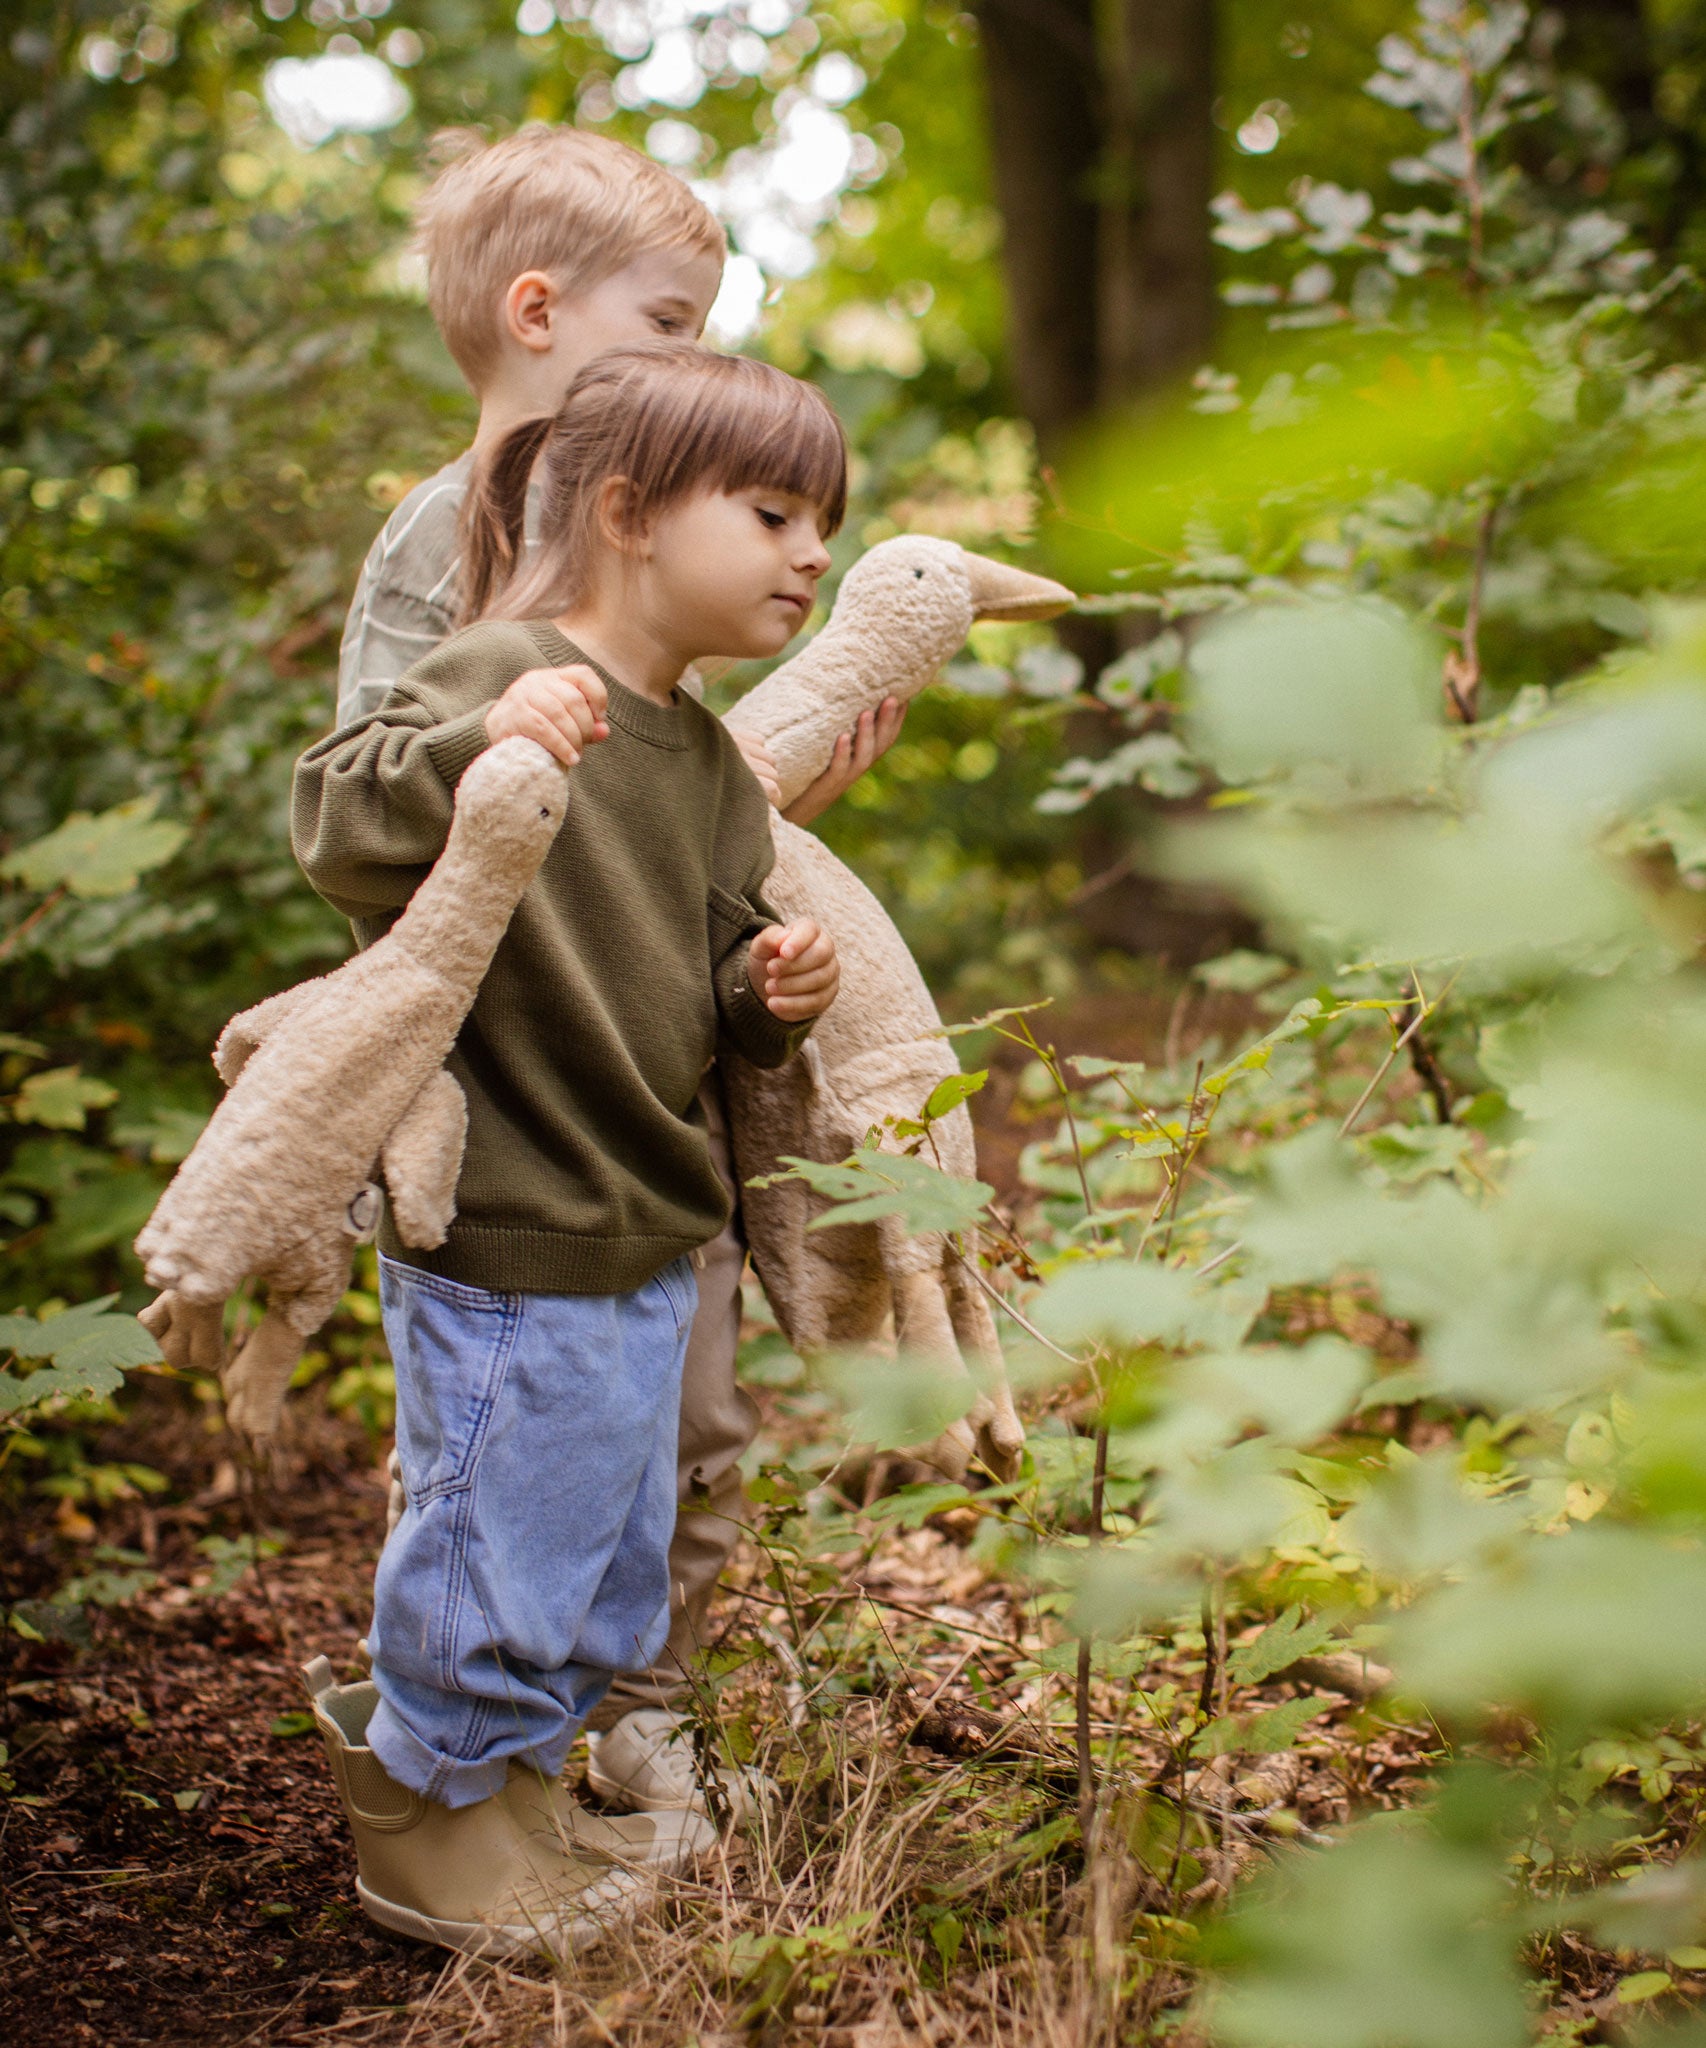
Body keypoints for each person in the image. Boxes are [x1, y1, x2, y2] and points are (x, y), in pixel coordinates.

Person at [335, 124, 903, 1820]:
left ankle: (643, 1697)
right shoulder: (450, 541)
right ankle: (456, 1745)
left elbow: (662, 818)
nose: (703, 359)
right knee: (514, 1421)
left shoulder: (681, 561)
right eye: (672, 325)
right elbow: (391, 800)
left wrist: (769, 884)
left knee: (686, 1404)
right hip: (514, 1087)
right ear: (535, 313)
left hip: (660, 1079)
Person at [293, 341, 847, 1955]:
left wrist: (769, 988)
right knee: (498, 1539)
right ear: (623, 512)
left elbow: (718, 984)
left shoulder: (710, 766)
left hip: (645, 1218)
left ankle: (521, 1783)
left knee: (598, 1540)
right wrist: (484, 744)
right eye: (771, 512)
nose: (811, 554)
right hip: (512, 1208)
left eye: (824, 522)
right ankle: (428, 1826)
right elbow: (334, 821)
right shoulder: (501, 668)